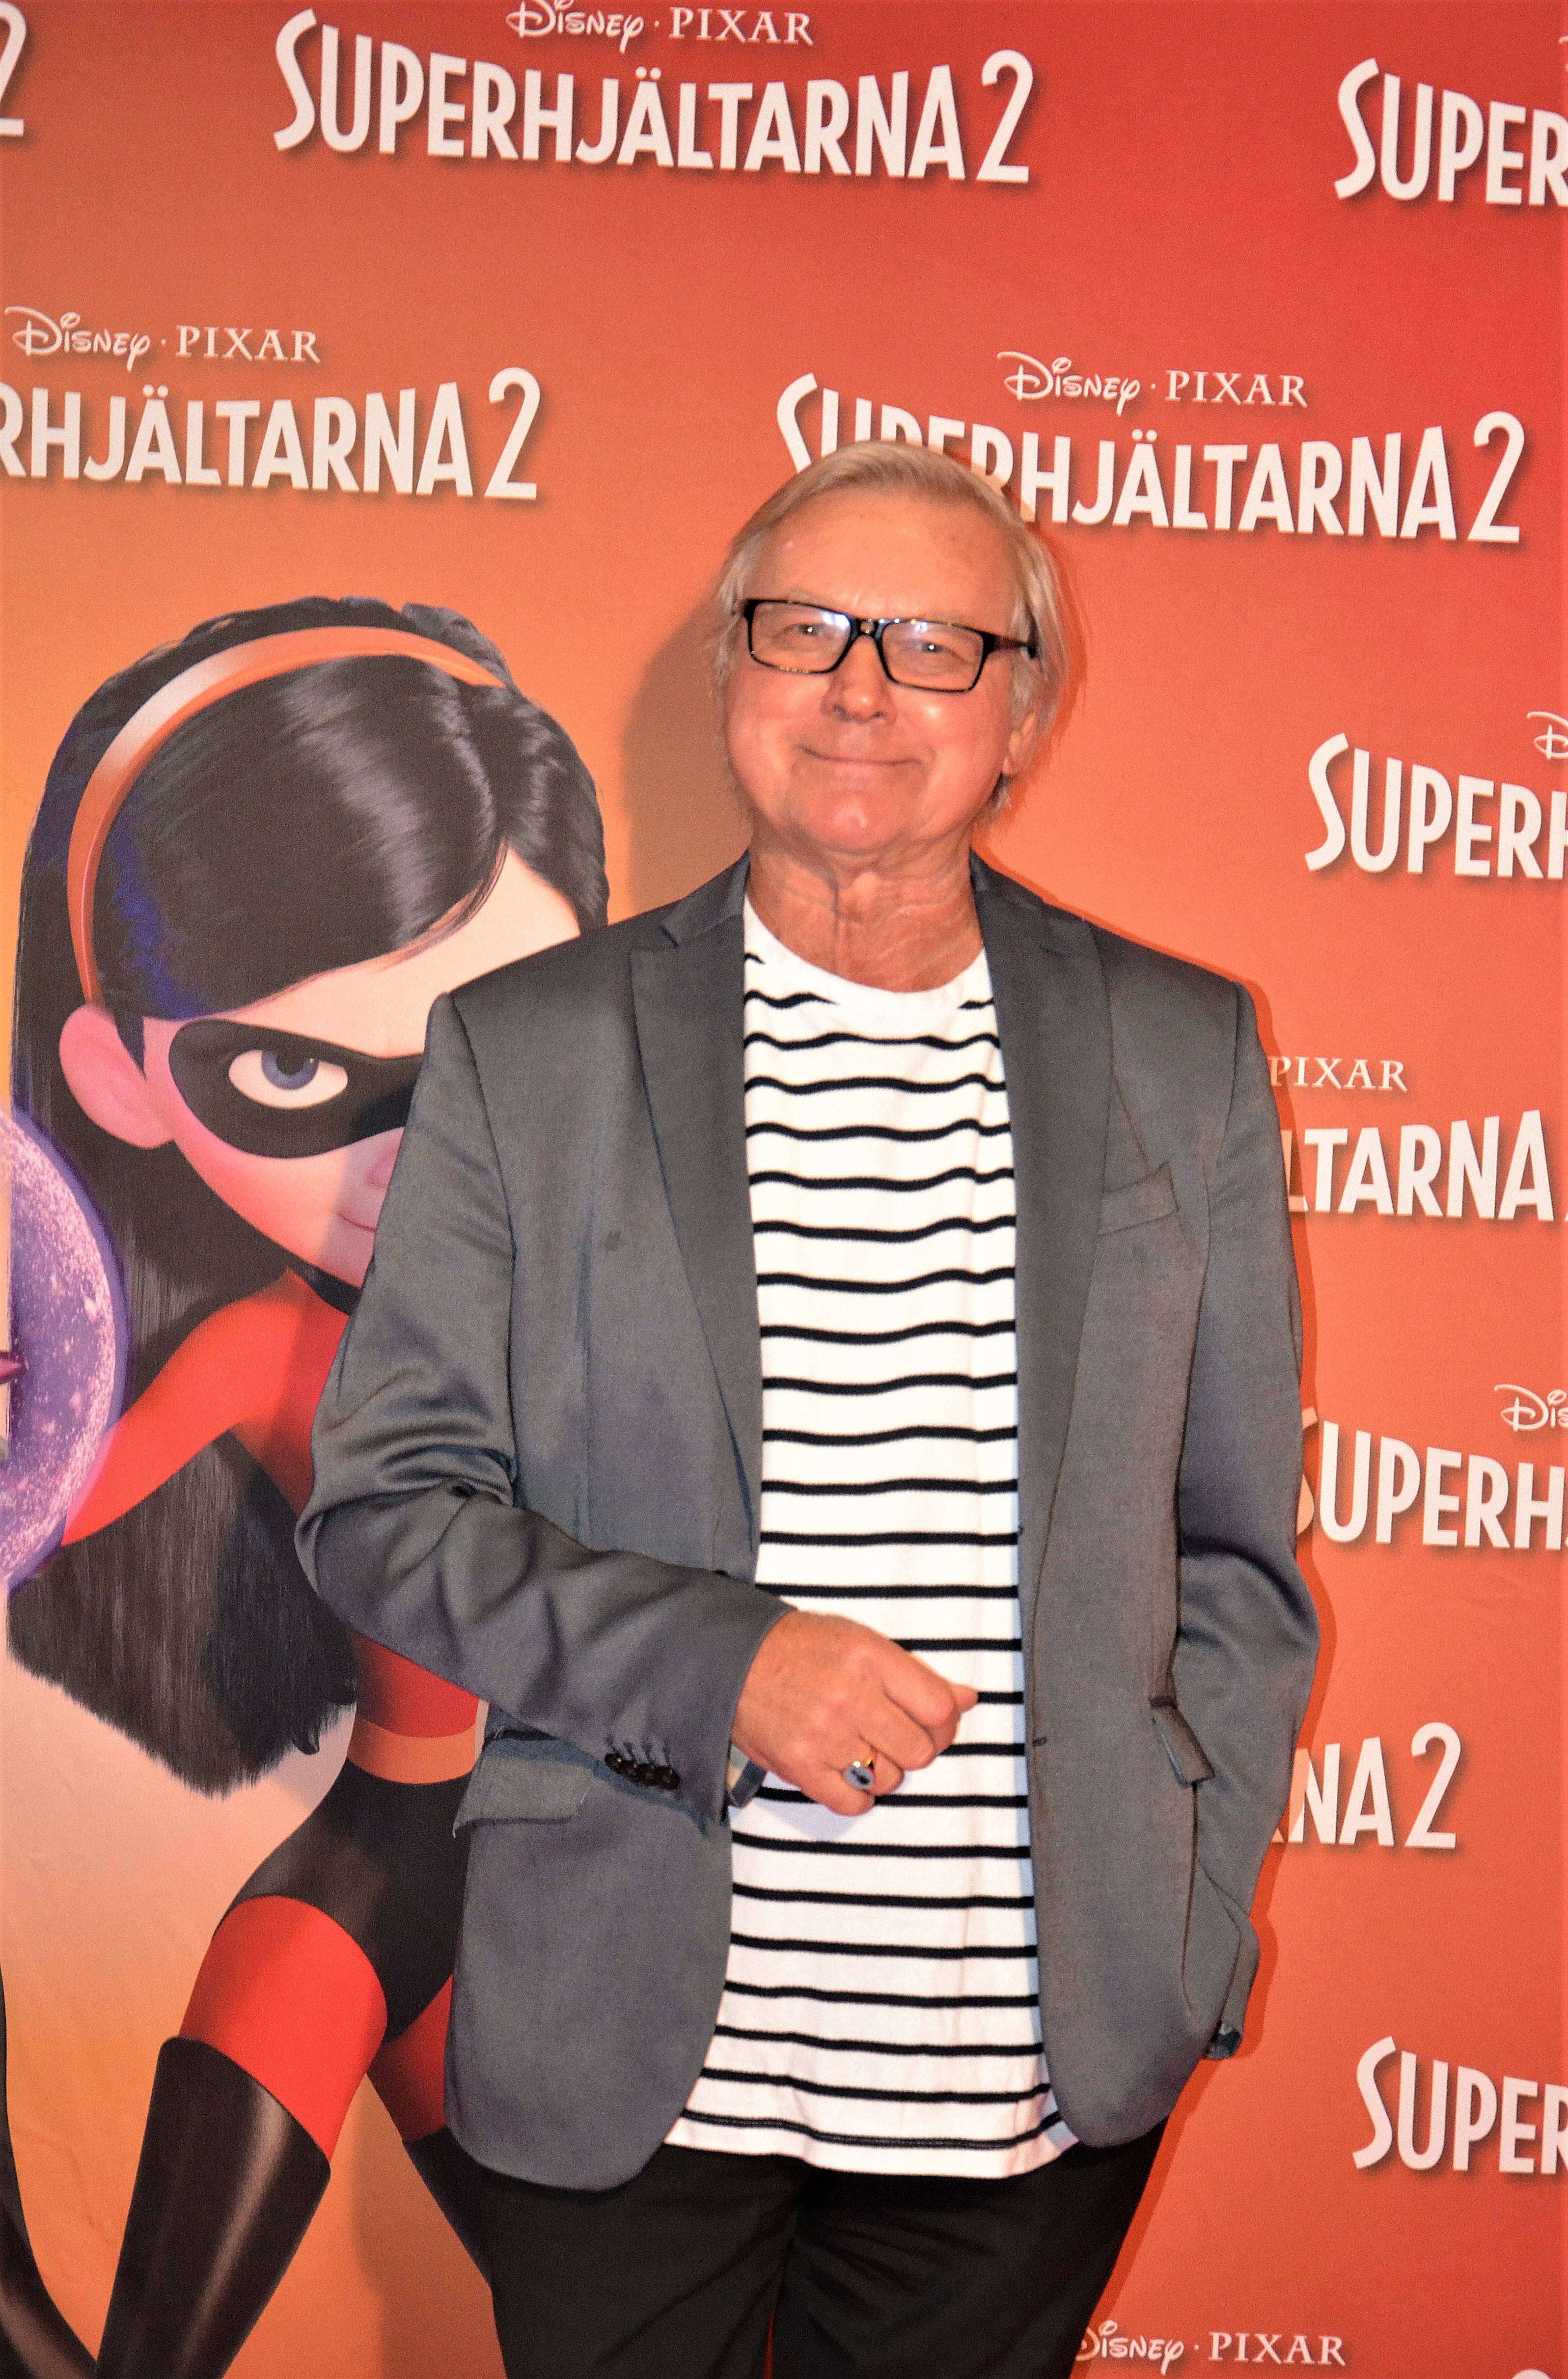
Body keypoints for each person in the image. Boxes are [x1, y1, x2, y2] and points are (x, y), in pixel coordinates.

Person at [300, 443, 1319, 2379]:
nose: (861, 686)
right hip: (625, 2057)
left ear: (1022, 711)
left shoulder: (1180, 1052)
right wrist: (723, 1661)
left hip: (1026, 2079)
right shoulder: (531, 1051)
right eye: (806, 629)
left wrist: (1182, 1915)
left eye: (936, 643)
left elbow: (1233, 1562)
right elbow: (384, 1509)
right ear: (729, 672)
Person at [4, 596, 605, 2379]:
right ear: (119, 1082)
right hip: (362, 1887)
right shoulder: (268, 1345)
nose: (407, 1150)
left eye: (494, 1045)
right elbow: (47, 1505)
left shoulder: (625, 1320)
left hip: (571, 1902)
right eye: (289, 1071)